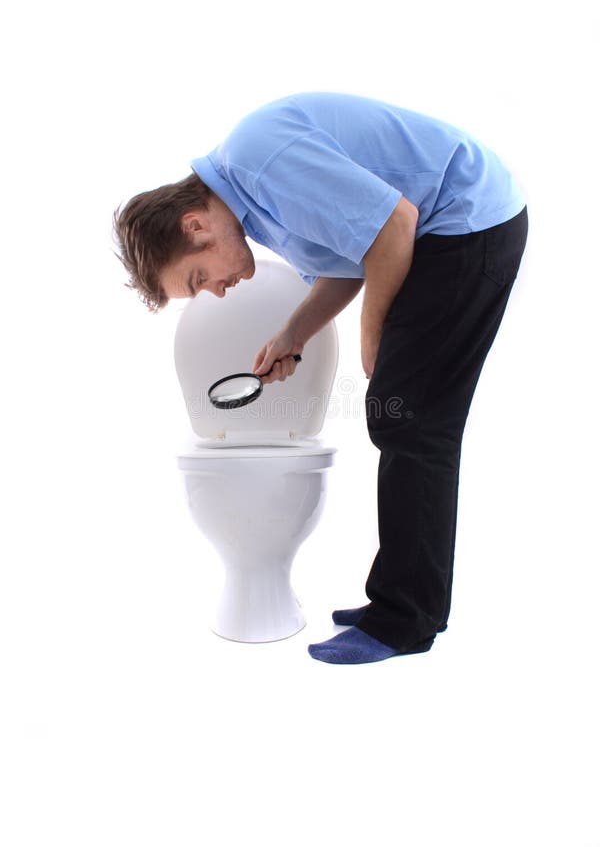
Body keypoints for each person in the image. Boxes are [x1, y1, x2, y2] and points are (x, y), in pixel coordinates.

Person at [113, 91, 529, 665]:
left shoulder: (259, 158)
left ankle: (402, 620)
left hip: (465, 221)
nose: (214, 291)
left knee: (409, 419)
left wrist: (372, 337)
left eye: (199, 276)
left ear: (195, 226)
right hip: (449, 227)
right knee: (409, 419)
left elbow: (393, 225)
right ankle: (411, 606)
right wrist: (293, 334)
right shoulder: (252, 205)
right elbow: (347, 262)